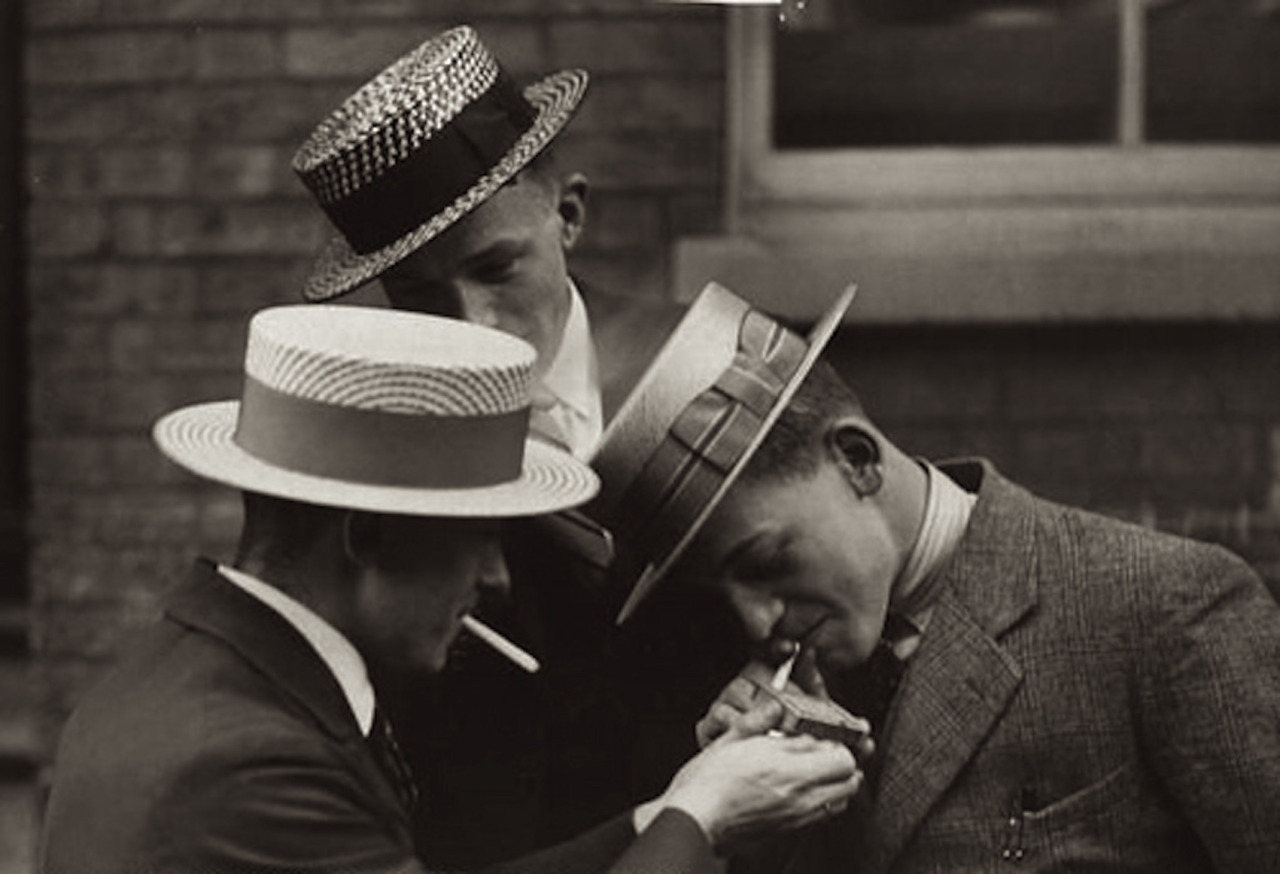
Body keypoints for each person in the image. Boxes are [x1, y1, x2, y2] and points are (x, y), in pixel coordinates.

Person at [38, 305, 862, 874]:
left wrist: (669, 810)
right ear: (368, 536)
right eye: (478, 540)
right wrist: (706, 819)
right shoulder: (248, 763)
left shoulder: (205, 677)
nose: (496, 579)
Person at [587, 281, 1280, 873]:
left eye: (767, 564)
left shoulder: (1161, 609)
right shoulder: (793, 697)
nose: (758, 622)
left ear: (857, 460)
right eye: (723, 593)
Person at [291, 25, 721, 863]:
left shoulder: (709, 364)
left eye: (496, 271)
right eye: (420, 298)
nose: (473, 328)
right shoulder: (377, 457)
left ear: (569, 215)